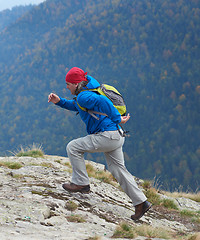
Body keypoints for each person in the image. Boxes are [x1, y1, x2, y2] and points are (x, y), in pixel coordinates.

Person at [47, 67, 151, 221]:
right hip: (116, 135)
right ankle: (141, 202)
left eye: (68, 84)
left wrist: (117, 118)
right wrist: (59, 102)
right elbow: (77, 105)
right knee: (118, 170)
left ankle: (80, 183)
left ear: (76, 84)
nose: (66, 86)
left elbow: (103, 101)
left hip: (106, 136)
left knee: (73, 147)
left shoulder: (83, 96)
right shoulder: (86, 92)